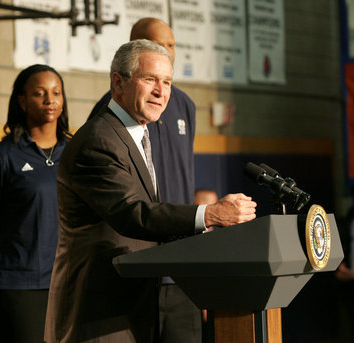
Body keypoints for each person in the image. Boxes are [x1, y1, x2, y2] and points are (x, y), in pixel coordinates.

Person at [44, 40, 257, 342]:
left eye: (167, 81)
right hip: (99, 311)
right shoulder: (98, 140)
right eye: (150, 79)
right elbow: (132, 213)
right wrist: (209, 214)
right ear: (118, 82)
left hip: (135, 307)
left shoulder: (138, 135)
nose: (161, 91)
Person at [88, 18, 200, 342]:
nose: (167, 51)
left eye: (171, 45)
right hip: (135, 269)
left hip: (183, 271)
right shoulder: (107, 116)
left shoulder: (185, 105)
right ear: (132, 48)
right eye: (157, 45)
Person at [0, 64, 71, 343]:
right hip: (19, 290)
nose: (50, 100)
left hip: (69, 285)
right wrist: (3, 277)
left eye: (56, 93)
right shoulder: (1, 158)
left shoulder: (77, 154)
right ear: (22, 100)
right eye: (40, 93)